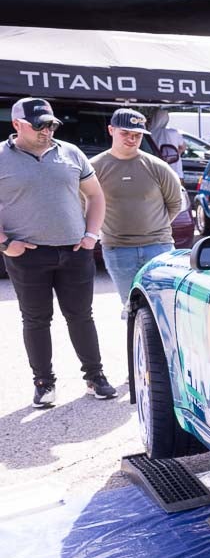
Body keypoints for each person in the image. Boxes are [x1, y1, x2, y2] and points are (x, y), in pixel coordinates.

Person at [0, 97, 118, 406]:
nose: (46, 131)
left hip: (75, 251)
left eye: (51, 124)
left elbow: (95, 195)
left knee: (81, 316)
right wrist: (4, 243)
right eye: (39, 125)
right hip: (27, 255)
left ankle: (95, 377)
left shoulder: (71, 153)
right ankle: (44, 383)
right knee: (36, 319)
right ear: (17, 125)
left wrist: (92, 235)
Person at [90, 109, 185, 318]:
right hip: (117, 249)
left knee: (165, 307)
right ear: (111, 130)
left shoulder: (158, 167)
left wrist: (154, 228)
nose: (132, 139)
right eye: (125, 133)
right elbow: (84, 205)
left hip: (159, 246)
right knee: (131, 306)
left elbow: (175, 203)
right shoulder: (95, 168)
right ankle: (137, 348)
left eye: (138, 135)